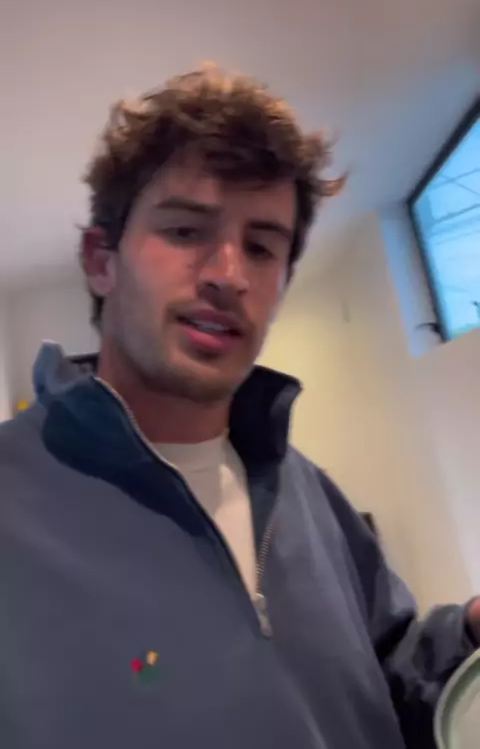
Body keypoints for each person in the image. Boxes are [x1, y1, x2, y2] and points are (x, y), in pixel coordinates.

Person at [1, 66, 478, 749]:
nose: (229, 275)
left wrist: (469, 636)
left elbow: (385, 683)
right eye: (185, 231)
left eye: (260, 247)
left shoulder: (306, 490)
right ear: (102, 260)